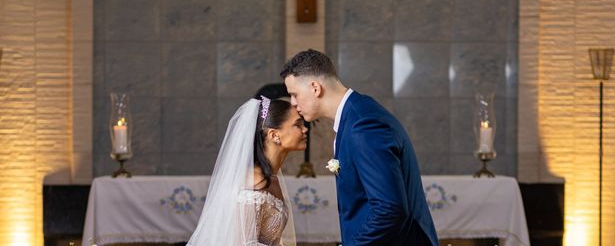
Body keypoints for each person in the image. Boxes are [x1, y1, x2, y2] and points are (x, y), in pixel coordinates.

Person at [281, 49, 439, 246]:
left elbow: (389, 209)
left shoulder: (363, 125)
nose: (293, 103)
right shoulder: (357, 113)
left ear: (315, 88)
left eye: (294, 94)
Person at [186, 97, 308, 246]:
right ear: (274, 135)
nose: (305, 129)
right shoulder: (253, 184)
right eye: (297, 124)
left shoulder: (271, 177)